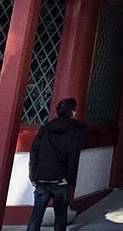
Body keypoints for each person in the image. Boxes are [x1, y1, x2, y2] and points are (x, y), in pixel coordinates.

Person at [26, 97, 85, 231]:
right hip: (60, 180)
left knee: (36, 216)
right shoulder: (75, 131)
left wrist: (33, 175)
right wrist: (70, 178)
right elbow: (73, 155)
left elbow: (34, 151)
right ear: (73, 112)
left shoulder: (45, 129)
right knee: (60, 217)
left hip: (42, 177)